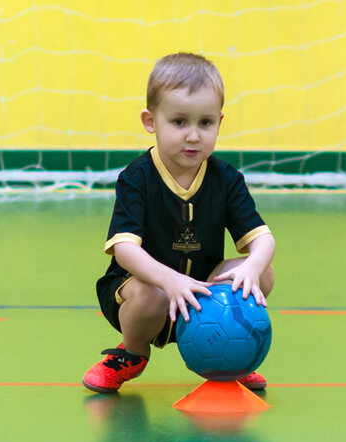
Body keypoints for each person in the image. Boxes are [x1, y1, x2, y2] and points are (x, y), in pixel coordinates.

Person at [83, 52, 276, 394]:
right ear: (150, 121)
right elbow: (125, 249)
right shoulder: (136, 178)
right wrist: (168, 280)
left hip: (200, 295)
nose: (193, 136)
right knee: (150, 294)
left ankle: (231, 354)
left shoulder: (227, 179)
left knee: (261, 271)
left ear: (219, 121)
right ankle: (132, 353)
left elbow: (263, 240)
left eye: (205, 123)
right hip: (145, 294)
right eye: (179, 122)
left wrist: (253, 267)